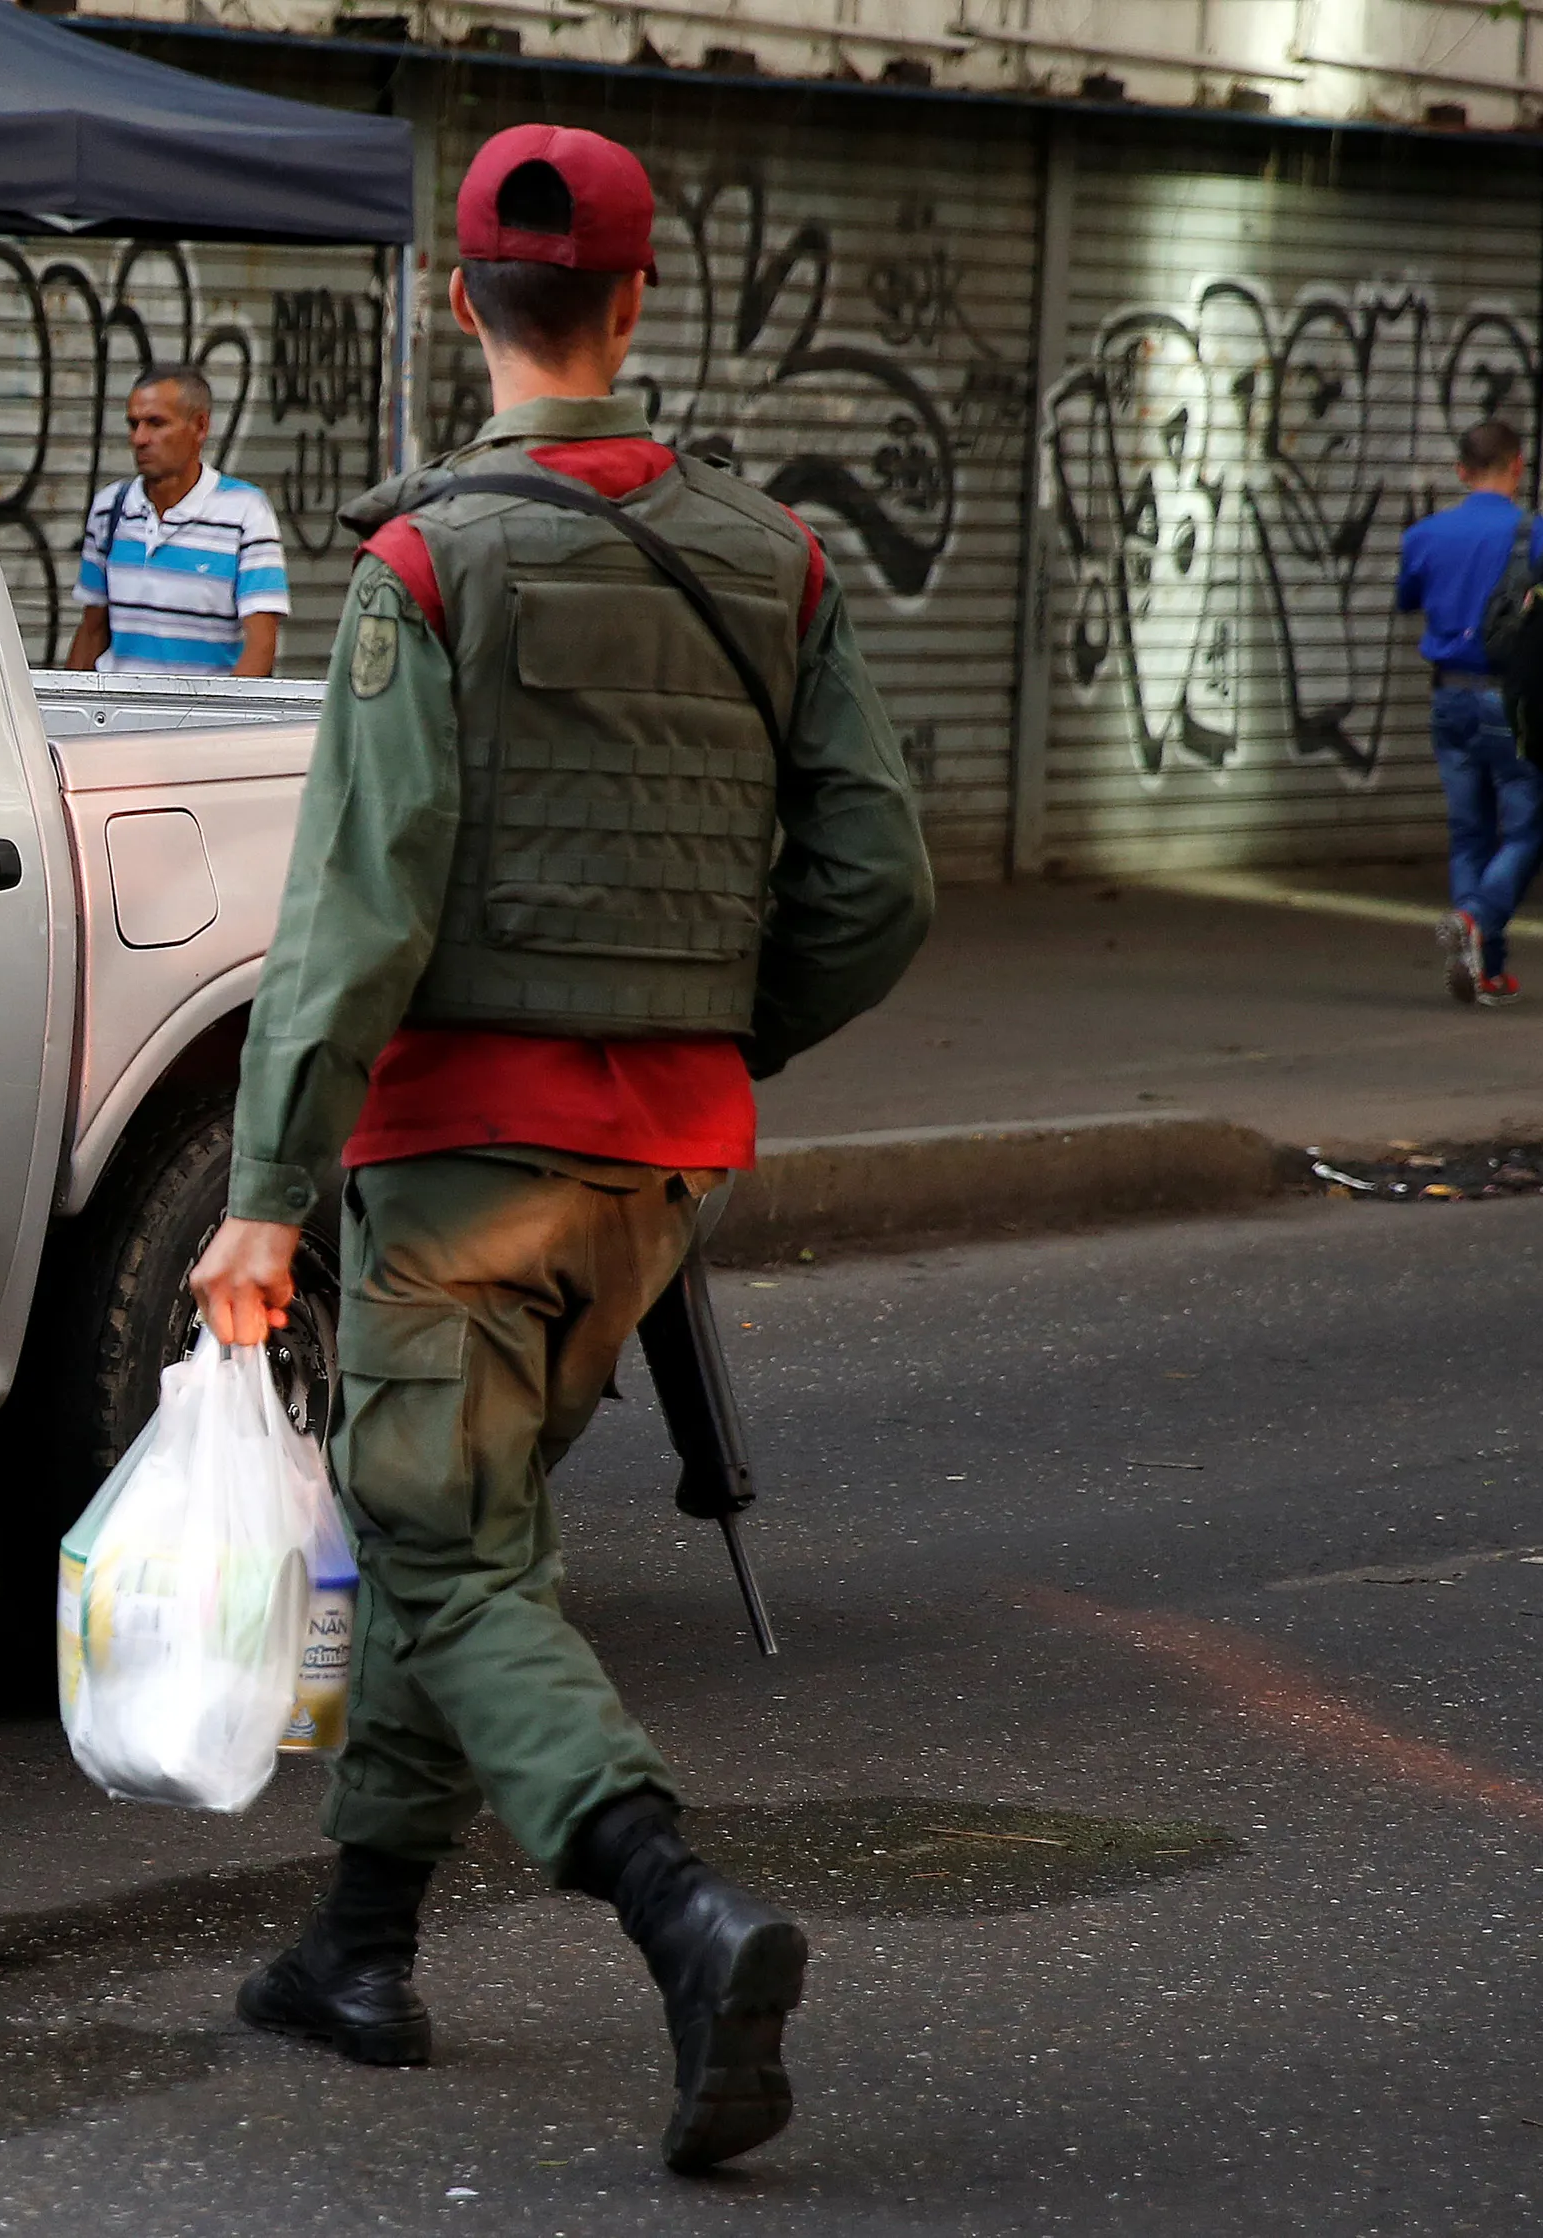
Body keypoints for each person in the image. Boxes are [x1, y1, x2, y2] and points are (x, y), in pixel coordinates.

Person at [185, 124, 932, 2176]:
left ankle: (684, 1917)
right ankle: (355, 1952)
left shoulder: (428, 566)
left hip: (450, 1165)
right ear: (638, 299)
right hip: (654, 1178)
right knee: (470, 1526)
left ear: (459, 305)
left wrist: (261, 1195)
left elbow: (358, 909)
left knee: (439, 1538)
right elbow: (879, 888)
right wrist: (702, 1037)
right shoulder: (772, 558)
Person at [1396, 419, 1543, 1006]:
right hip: (1509, 699)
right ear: (1518, 465)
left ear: (1461, 471)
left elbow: (1408, 599)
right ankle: (1476, 918)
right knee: (1527, 831)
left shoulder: (1424, 535)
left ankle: (1485, 969)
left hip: (1448, 696)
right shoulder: (1541, 535)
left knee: (1469, 834)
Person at [65, 366, 288, 678]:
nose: (139, 438)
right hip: (117, 719)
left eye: (156, 423)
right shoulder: (109, 509)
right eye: (133, 424)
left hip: (203, 720)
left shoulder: (245, 512)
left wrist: (223, 723)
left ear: (199, 426)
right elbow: (92, 629)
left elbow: (261, 644)